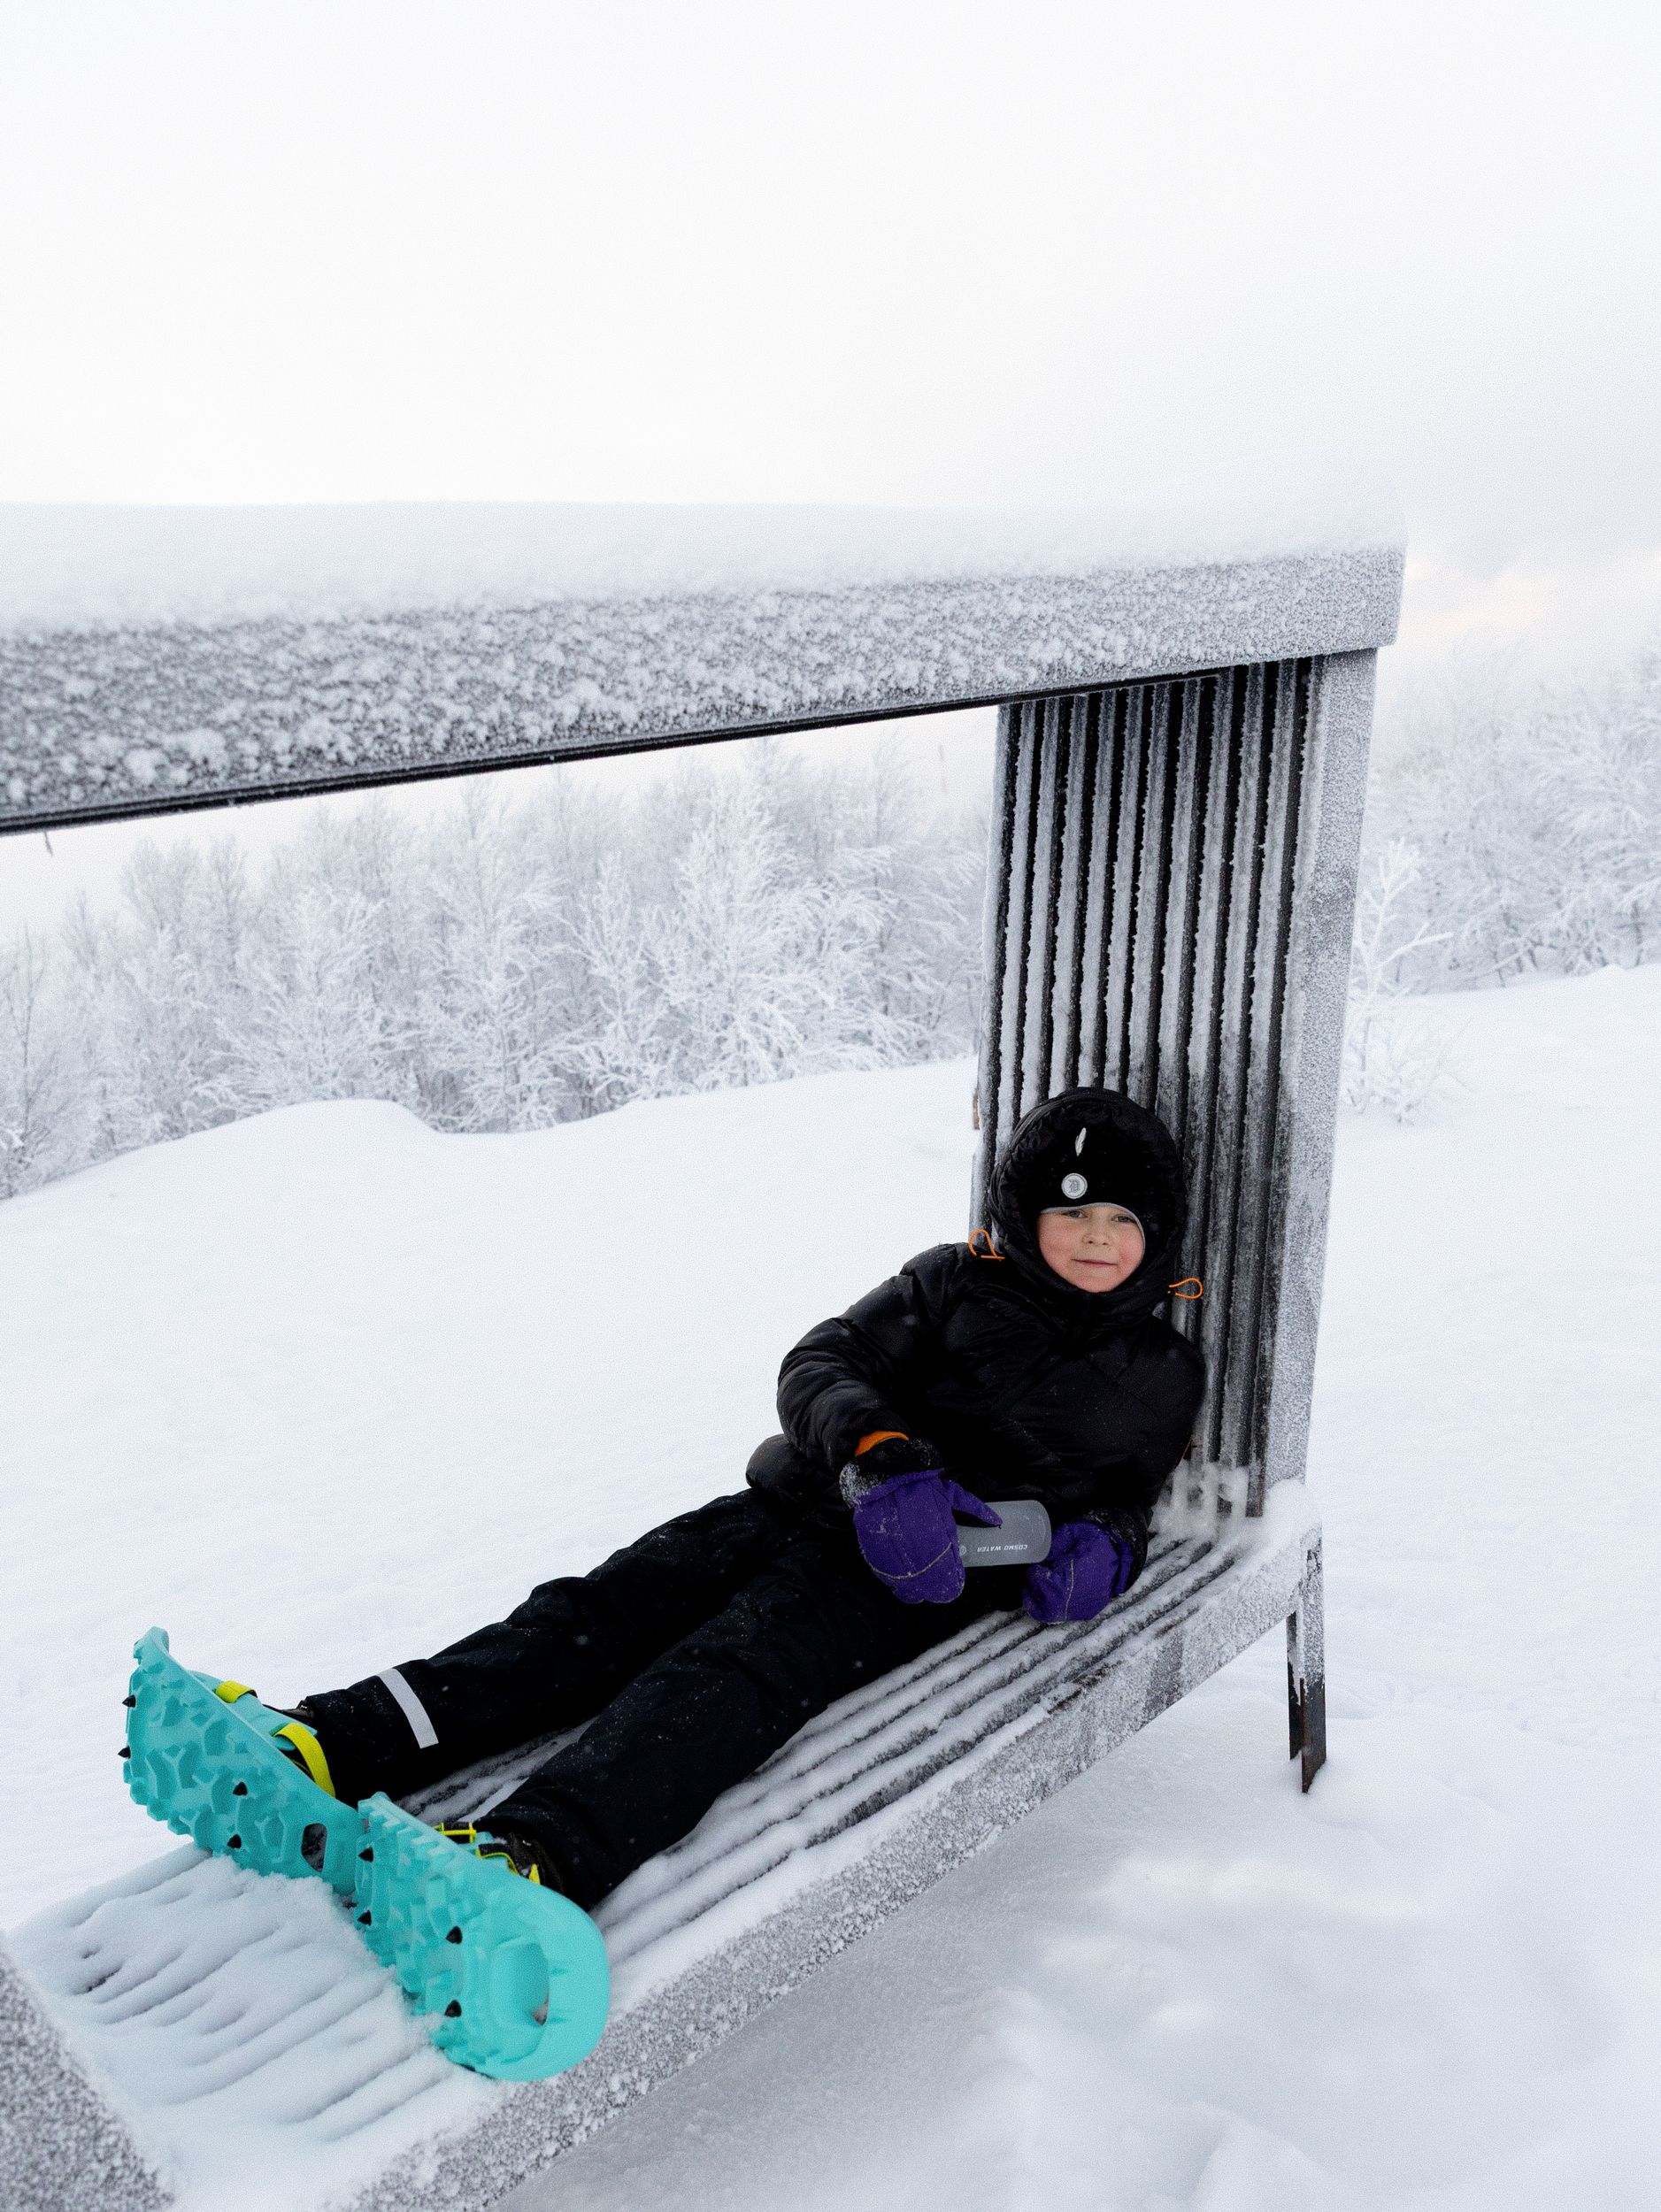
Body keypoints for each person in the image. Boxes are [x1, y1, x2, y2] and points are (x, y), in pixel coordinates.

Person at [264, 1084, 1206, 1909]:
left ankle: (530, 1853)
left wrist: (1101, 1551)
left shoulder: (1162, 1372)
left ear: (1156, 1235)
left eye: (1122, 1219)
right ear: (1023, 1212)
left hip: (898, 1580)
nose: (1096, 1235)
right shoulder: (952, 1281)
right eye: (1072, 1208)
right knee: (587, 1617)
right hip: (789, 1501)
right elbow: (823, 1361)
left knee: (722, 1681)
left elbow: (1127, 1495)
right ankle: (335, 1741)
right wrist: (879, 1458)